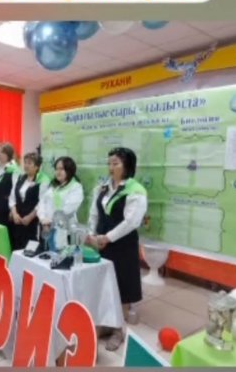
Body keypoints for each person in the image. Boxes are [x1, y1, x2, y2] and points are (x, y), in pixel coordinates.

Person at [85, 147, 147, 351]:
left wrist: (107, 238)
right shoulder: (102, 187)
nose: (111, 167)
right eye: (109, 163)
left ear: (127, 166)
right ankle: (105, 324)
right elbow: (94, 213)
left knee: (121, 286)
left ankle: (119, 330)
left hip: (122, 245)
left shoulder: (135, 190)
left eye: (116, 163)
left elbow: (131, 222)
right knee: (103, 284)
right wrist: (92, 235)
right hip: (100, 244)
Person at [38, 157, 84, 246]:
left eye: (61, 169)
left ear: (69, 170)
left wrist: (50, 221)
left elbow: (68, 209)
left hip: (65, 231)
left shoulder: (76, 187)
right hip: (47, 228)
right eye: (56, 169)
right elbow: (42, 203)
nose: (58, 172)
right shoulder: (53, 186)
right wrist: (43, 219)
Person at [9, 152, 49, 250]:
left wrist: (30, 217)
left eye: (29, 163)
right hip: (17, 220)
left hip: (32, 222)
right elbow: (12, 197)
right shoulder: (20, 178)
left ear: (37, 166)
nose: (26, 165)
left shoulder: (43, 180)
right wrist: (14, 214)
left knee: (29, 250)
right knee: (16, 248)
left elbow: (42, 203)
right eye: (25, 162)